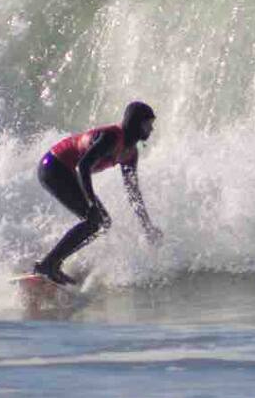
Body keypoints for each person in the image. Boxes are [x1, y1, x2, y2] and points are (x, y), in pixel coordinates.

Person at [32, 101, 162, 285]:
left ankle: (53, 263)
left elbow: (133, 191)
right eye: (148, 124)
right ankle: (48, 265)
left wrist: (147, 225)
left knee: (102, 222)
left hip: (68, 171)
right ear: (135, 123)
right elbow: (83, 166)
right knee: (95, 220)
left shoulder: (130, 153)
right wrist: (91, 203)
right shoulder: (112, 137)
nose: (151, 129)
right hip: (53, 166)